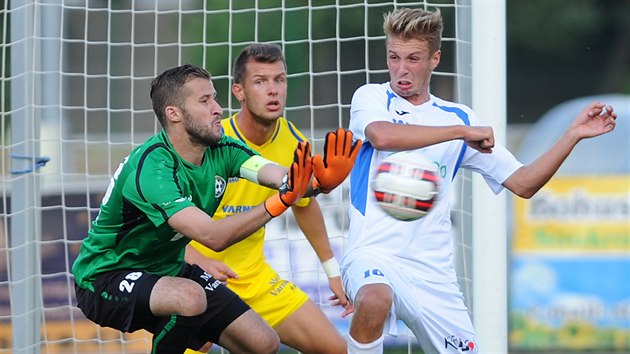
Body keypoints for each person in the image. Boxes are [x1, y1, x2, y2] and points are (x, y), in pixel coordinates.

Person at [343, 7, 618, 354]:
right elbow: (381, 136)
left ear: (435, 58)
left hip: (434, 275)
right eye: (393, 57)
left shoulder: (459, 116)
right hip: (374, 255)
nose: (401, 69)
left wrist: (572, 135)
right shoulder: (373, 97)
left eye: (413, 58)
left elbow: (523, 182)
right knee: (374, 298)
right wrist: (459, 133)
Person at [71, 63, 359, 354]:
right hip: (106, 276)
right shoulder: (153, 168)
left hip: (168, 268)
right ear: (174, 114)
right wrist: (280, 201)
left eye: (215, 98)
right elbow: (212, 236)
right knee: (190, 298)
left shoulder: (224, 148)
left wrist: (320, 182)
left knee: (263, 342)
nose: (218, 108)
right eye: (205, 101)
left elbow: (282, 177)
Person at [184, 43, 358, 354]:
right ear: (239, 91)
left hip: (255, 279)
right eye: (260, 81)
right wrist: (199, 263)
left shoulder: (293, 141)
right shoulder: (208, 142)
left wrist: (333, 272)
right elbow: (162, 220)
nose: (273, 90)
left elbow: (303, 205)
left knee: (338, 350)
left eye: (279, 80)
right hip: (197, 277)